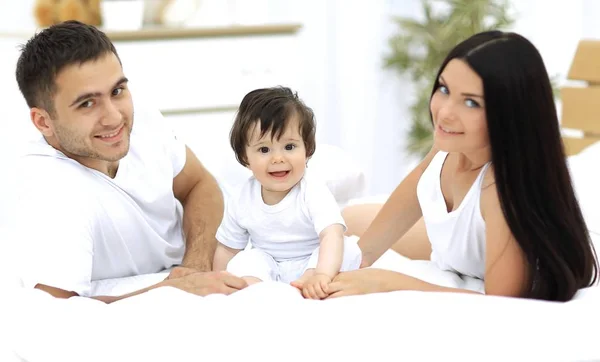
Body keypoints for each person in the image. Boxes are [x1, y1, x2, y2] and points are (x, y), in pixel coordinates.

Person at [328, 30, 599, 302]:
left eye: (471, 102)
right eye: (444, 89)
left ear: (510, 112)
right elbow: (421, 179)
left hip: (490, 249)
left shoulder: (500, 190)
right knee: (348, 218)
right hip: (458, 248)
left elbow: (500, 301)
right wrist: (355, 261)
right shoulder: (452, 144)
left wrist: (386, 281)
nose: (445, 112)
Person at [9, 20, 247, 303]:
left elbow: (198, 183)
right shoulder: (50, 189)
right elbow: (57, 308)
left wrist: (195, 265)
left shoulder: (141, 119)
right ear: (43, 122)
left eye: (117, 91)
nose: (114, 118)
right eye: (87, 103)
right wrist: (173, 291)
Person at [212, 86, 362, 299]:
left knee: (346, 247)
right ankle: (255, 286)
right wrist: (218, 279)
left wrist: (321, 273)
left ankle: (313, 281)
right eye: (264, 150)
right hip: (270, 265)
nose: (278, 158)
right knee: (246, 260)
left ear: (307, 149)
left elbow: (331, 234)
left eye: (289, 147)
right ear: (245, 158)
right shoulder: (241, 197)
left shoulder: (312, 190)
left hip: (314, 261)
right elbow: (228, 249)